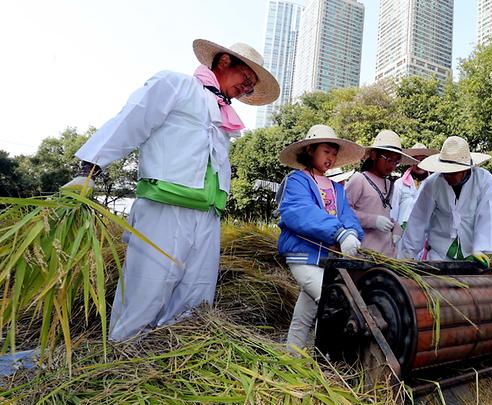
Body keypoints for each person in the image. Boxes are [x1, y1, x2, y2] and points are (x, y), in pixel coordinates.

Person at [64, 39, 279, 341]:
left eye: (251, 87)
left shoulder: (223, 116)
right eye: (247, 79)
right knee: (147, 290)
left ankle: (171, 364)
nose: (246, 89)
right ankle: (121, 362)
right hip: (165, 206)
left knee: (196, 296)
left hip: (207, 215)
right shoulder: (176, 85)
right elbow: (131, 121)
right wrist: (89, 171)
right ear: (225, 62)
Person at [277, 125, 367, 351]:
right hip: (303, 258)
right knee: (333, 305)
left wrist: (353, 232)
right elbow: (299, 212)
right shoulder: (297, 181)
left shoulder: (337, 188)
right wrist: (339, 233)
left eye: (334, 153)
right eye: (326, 151)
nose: (331, 157)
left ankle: (291, 359)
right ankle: (327, 361)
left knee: (304, 314)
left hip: (326, 260)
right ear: (310, 150)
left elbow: (347, 215)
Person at [399, 136, 492, 266]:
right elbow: (418, 220)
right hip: (438, 252)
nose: (447, 176)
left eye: (452, 173)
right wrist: (406, 258)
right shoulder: (432, 183)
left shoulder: (484, 180)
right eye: (445, 172)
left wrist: (480, 249)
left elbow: (487, 216)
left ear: (465, 169)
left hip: (471, 253)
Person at [345, 130, 417, 258]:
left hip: (387, 255)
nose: (392, 166)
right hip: (364, 254)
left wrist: (395, 227)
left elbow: (384, 214)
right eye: (389, 160)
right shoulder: (359, 179)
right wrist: (372, 220)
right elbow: (343, 212)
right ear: (373, 155)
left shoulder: (390, 184)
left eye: (396, 162)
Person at [391, 143, 437, 230]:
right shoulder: (399, 183)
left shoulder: (435, 185)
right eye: (414, 160)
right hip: (401, 233)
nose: (418, 163)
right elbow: (393, 211)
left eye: (422, 160)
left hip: (426, 235)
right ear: (410, 162)